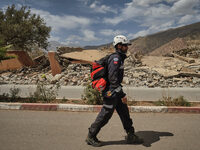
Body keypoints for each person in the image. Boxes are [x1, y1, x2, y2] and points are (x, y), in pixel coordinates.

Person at [85, 35, 144, 147]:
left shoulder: (120, 58)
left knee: (124, 113)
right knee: (105, 115)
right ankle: (91, 136)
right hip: (111, 92)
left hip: (115, 91)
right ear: (119, 46)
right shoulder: (115, 58)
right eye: (125, 45)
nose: (127, 47)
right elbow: (113, 79)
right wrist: (121, 94)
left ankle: (131, 135)